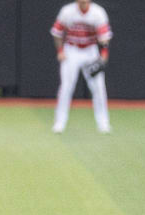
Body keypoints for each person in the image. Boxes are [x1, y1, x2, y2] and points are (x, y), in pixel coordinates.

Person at [50, 0, 112, 134]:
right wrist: (60, 51)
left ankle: (103, 123)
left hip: (90, 51)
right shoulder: (67, 11)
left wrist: (104, 54)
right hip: (71, 50)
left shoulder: (98, 12)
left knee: (99, 88)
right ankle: (59, 122)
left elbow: (104, 37)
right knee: (66, 86)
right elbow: (57, 32)